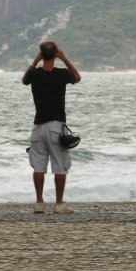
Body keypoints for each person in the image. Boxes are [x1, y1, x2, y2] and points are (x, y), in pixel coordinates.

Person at [22, 41, 81, 214]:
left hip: (38, 126)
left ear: (41, 55)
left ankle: (39, 203)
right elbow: (77, 77)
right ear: (55, 54)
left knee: (39, 166)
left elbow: (24, 80)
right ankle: (59, 203)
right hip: (56, 125)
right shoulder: (61, 74)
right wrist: (64, 58)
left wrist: (35, 61)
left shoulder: (35, 74)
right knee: (60, 165)